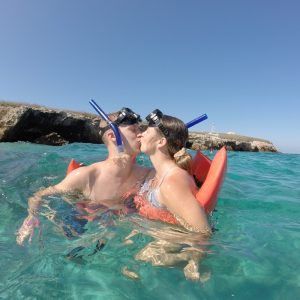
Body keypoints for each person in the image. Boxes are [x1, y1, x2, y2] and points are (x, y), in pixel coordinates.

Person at [16, 107, 150, 245]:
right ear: (113, 136)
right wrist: (31, 216)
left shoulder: (147, 174)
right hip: (88, 222)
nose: (141, 135)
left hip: (118, 223)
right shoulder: (86, 176)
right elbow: (40, 195)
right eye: (134, 130)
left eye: (140, 130)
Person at [135, 109, 211, 234]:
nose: (140, 135)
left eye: (147, 132)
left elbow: (202, 235)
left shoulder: (172, 184)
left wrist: (161, 244)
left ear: (161, 142)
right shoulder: (157, 174)